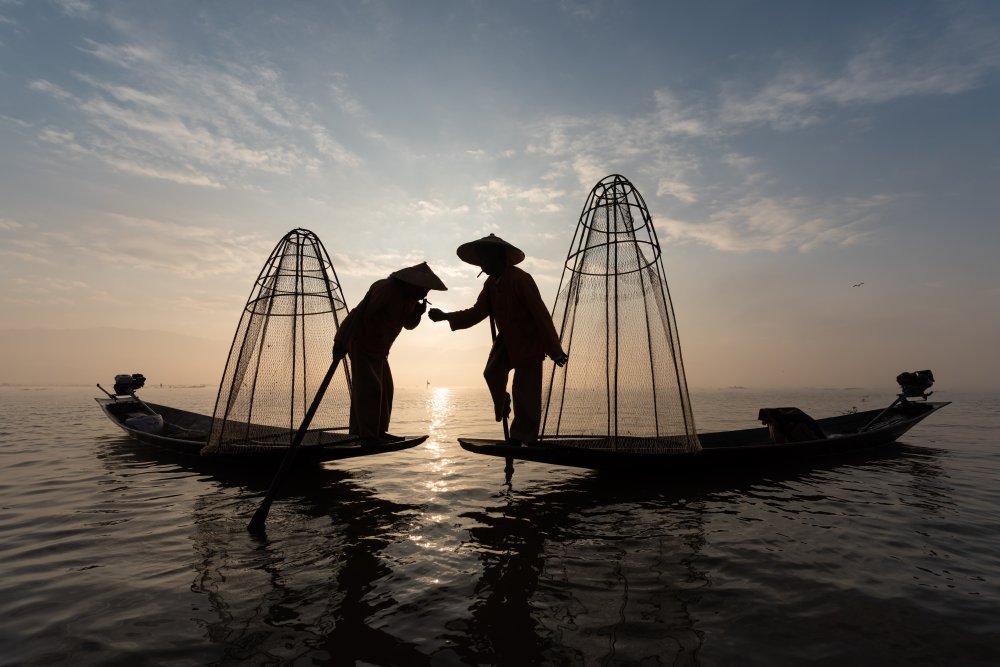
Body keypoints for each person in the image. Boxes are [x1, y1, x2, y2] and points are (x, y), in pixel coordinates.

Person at [428, 234, 567, 444]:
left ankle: (522, 436)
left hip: (528, 341)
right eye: (481, 259)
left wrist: (555, 350)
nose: (482, 264)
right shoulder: (490, 284)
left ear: (499, 257)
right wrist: (446, 316)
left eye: (485, 258)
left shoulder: (521, 279)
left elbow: (541, 315)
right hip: (507, 341)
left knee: (525, 390)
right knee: (492, 372)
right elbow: (477, 312)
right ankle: (503, 401)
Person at [334, 262, 447, 441]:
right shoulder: (386, 288)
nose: (426, 294)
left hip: (380, 350)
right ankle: (367, 436)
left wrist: (417, 313)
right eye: (425, 289)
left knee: (386, 390)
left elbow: (408, 324)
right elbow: (358, 314)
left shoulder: (410, 299)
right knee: (369, 390)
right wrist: (340, 340)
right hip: (361, 343)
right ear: (414, 284)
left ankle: (377, 432)